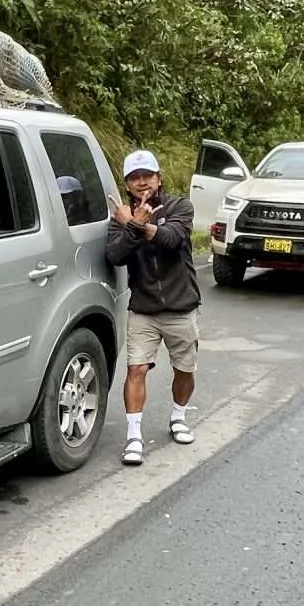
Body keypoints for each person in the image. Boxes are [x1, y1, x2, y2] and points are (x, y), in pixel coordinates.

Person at [105, 149, 201, 467]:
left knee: (184, 369)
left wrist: (136, 226)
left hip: (181, 307)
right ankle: (134, 437)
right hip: (143, 309)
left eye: (148, 176)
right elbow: (115, 255)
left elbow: (172, 239)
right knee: (136, 369)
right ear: (127, 184)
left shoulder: (179, 207)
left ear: (159, 179)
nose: (142, 182)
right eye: (135, 178)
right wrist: (131, 225)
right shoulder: (119, 218)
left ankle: (178, 417)